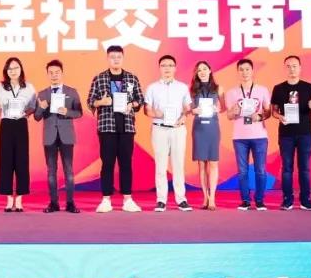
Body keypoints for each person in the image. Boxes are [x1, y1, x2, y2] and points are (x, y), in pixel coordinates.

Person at [87, 45, 144, 213]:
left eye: (119, 57)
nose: (116, 60)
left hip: (127, 127)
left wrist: (132, 104)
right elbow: (90, 101)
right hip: (107, 127)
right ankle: (106, 199)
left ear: (123, 58)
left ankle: (128, 199)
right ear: (107, 58)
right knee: (107, 164)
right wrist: (101, 102)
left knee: (126, 164)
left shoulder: (132, 78)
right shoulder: (99, 78)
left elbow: (140, 100)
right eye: (112, 57)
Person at [270, 55, 311, 211]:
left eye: (294, 66)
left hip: (305, 133)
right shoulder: (278, 88)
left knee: (304, 168)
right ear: (284, 68)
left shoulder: (309, 87)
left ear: (300, 68)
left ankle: (306, 200)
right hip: (286, 134)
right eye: (288, 66)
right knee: (287, 168)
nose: (292, 69)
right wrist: (279, 116)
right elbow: (274, 111)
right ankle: (287, 199)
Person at [33, 59, 83, 213]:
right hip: (49, 137)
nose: (54, 75)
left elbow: (79, 112)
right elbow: (36, 117)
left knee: (69, 171)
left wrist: (67, 112)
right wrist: (41, 108)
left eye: (57, 72)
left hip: (66, 136)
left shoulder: (71, 92)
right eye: (51, 73)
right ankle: (53, 203)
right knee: (51, 172)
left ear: (62, 73)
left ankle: (70, 203)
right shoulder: (42, 94)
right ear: (47, 75)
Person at [144, 55, 193, 212]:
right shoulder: (152, 88)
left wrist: (184, 116)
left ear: (175, 68)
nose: (167, 68)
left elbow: (188, 107)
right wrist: (155, 114)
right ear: (159, 68)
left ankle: (181, 199)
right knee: (161, 165)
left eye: (170, 65)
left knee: (178, 164)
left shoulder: (182, 87)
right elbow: (147, 109)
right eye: (164, 65)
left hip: (178, 129)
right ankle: (161, 200)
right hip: (160, 129)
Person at [225, 59, 271, 210]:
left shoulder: (262, 90)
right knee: (242, 171)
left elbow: (268, 111)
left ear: (252, 71)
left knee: (260, 170)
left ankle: (260, 200)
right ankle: (245, 200)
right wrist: (234, 111)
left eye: (247, 69)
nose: (244, 72)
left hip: (259, 136)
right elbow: (229, 116)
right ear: (237, 72)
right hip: (239, 137)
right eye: (241, 70)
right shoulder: (231, 92)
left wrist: (260, 116)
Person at [0, 56, 37, 212]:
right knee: (6, 161)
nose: (13, 71)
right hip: (6, 124)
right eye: (10, 68)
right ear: (6, 71)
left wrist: (26, 113)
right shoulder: (0, 87)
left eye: (16, 68)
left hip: (20, 124)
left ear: (21, 69)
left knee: (21, 160)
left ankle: (19, 199)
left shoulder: (29, 87)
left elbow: (33, 107)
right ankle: (8, 199)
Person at [189, 61, 223, 210]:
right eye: (199, 70)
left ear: (210, 70)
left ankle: (213, 198)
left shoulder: (218, 88)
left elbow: (224, 108)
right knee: (201, 163)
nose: (202, 72)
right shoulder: (192, 90)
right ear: (196, 73)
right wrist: (193, 110)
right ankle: (205, 197)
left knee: (213, 162)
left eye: (204, 69)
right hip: (199, 128)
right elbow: (189, 108)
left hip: (213, 128)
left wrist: (218, 109)